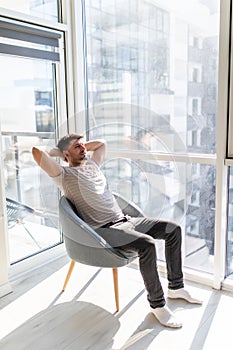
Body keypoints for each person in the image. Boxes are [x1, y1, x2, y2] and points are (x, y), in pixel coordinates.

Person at [32, 133, 202, 328]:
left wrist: (77, 146)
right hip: (104, 230)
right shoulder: (63, 175)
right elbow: (37, 153)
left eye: (83, 145)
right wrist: (61, 152)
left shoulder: (93, 165)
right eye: (77, 147)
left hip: (126, 220)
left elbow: (102, 144)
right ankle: (157, 305)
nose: (84, 148)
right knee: (147, 245)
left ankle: (176, 287)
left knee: (173, 230)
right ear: (65, 155)